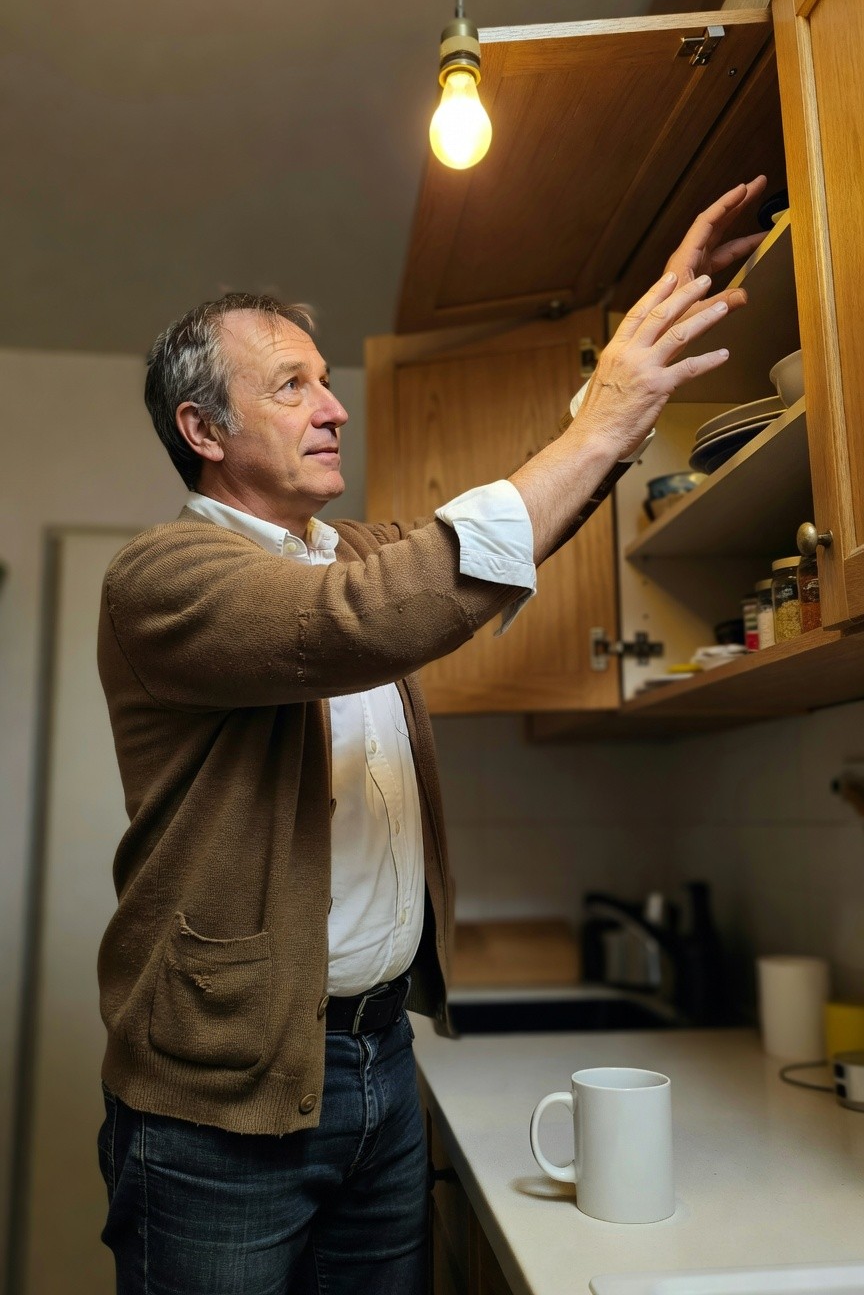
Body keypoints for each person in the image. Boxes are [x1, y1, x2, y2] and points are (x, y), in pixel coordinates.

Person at [96, 177, 767, 1295]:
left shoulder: (347, 551)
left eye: (326, 381)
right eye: (293, 384)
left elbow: (484, 550)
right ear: (203, 429)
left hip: (382, 1065)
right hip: (219, 1096)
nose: (335, 406)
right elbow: (376, 618)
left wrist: (627, 395)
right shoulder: (163, 578)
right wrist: (601, 411)